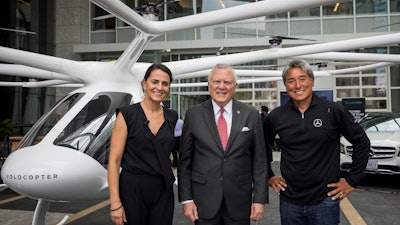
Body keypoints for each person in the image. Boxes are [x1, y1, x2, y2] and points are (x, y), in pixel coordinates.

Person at [263, 59, 370, 225]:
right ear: (285, 85)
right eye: (291, 80)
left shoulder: (333, 110)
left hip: (325, 201)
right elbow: (261, 147)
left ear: (312, 81)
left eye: (302, 78)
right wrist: (269, 176)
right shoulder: (276, 116)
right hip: (290, 202)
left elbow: (362, 142)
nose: (297, 85)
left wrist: (351, 180)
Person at [178, 63, 268, 225]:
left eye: (227, 82)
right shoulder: (193, 115)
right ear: (209, 85)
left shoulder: (251, 115)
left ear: (235, 86)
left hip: (239, 200)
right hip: (203, 201)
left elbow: (260, 161)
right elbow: (185, 162)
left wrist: (259, 199)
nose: (221, 87)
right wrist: (186, 199)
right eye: (216, 82)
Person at [108, 63, 178, 225]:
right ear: (144, 84)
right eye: (155, 82)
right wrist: (115, 203)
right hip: (133, 188)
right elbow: (114, 161)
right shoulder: (127, 115)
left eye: (165, 84)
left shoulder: (172, 117)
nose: (159, 87)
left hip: (163, 190)